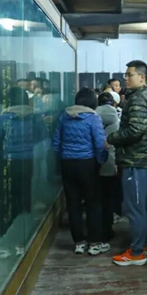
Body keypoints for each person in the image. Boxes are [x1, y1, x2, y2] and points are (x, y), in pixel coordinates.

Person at [107, 60, 147, 266]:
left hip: (136, 160)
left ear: (142, 77)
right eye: (126, 75)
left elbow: (135, 130)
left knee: (135, 208)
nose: (126, 79)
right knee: (145, 205)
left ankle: (137, 252)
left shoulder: (138, 98)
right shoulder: (145, 95)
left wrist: (112, 138)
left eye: (130, 75)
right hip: (144, 159)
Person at [52, 88, 108, 255]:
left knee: (73, 204)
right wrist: (101, 161)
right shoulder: (93, 118)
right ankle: (94, 243)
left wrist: (62, 158)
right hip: (87, 164)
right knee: (93, 203)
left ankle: (78, 242)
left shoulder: (64, 116)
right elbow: (100, 143)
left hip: (67, 163)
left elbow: (56, 142)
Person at [0, 87, 48, 217]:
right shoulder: (35, 116)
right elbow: (43, 137)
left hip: (10, 158)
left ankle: (15, 213)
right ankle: (27, 211)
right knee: (27, 185)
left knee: (13, 188)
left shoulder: (3, 117)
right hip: (30, 157)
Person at [96, 92, 121, 242]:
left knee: (96, 198)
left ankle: (97, 230)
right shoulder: (117, 118)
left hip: (94, 161)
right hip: (112, 160)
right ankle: (108, 229)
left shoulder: (93, 116)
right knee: (109, 197)